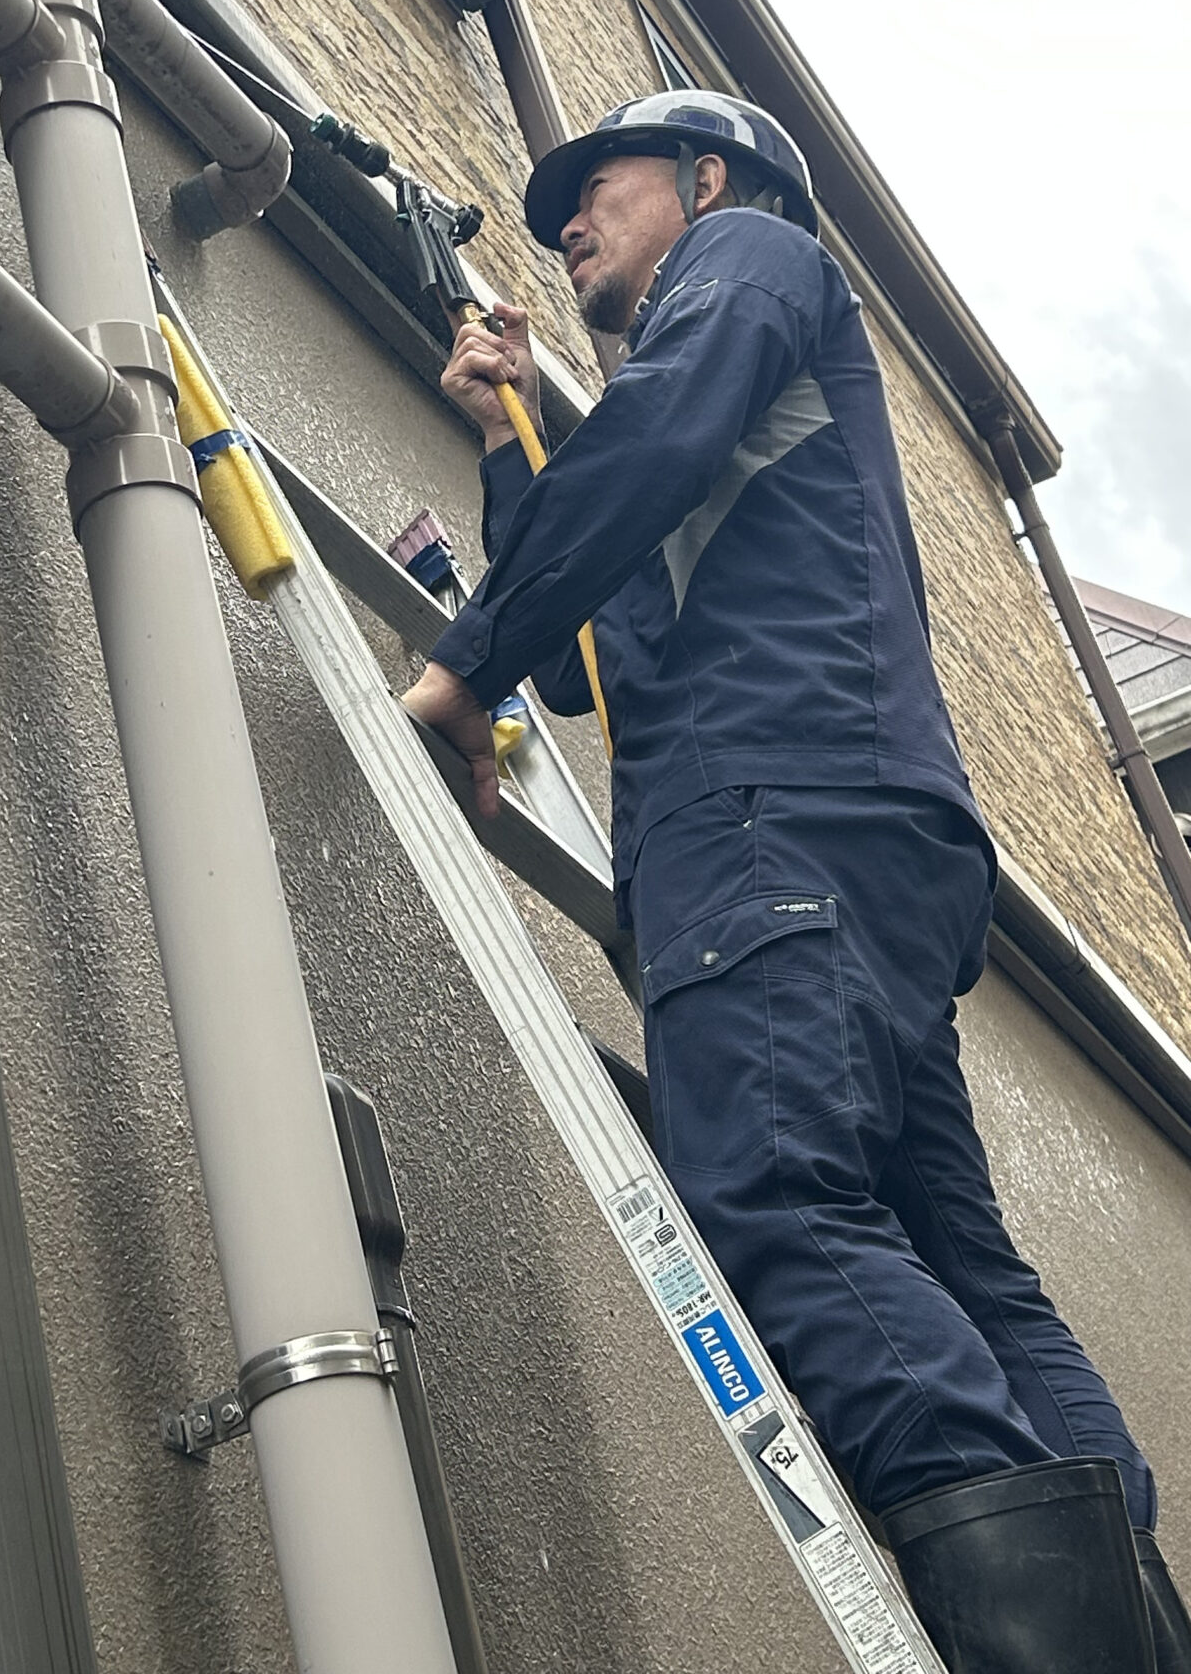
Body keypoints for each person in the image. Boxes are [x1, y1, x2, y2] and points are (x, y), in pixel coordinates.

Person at [401, 89, 1187, 1674]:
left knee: (770, 1191)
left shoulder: (753, 258)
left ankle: (1044, 1651)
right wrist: (505, 445)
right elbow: (574, 668)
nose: (565, 227)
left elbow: (595, 535)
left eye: (595, 190)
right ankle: (1136, 1626)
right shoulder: (697, 421)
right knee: (954, 1258)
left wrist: (454, 665)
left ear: (705, 179)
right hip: (845, 840)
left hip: (770, 814)